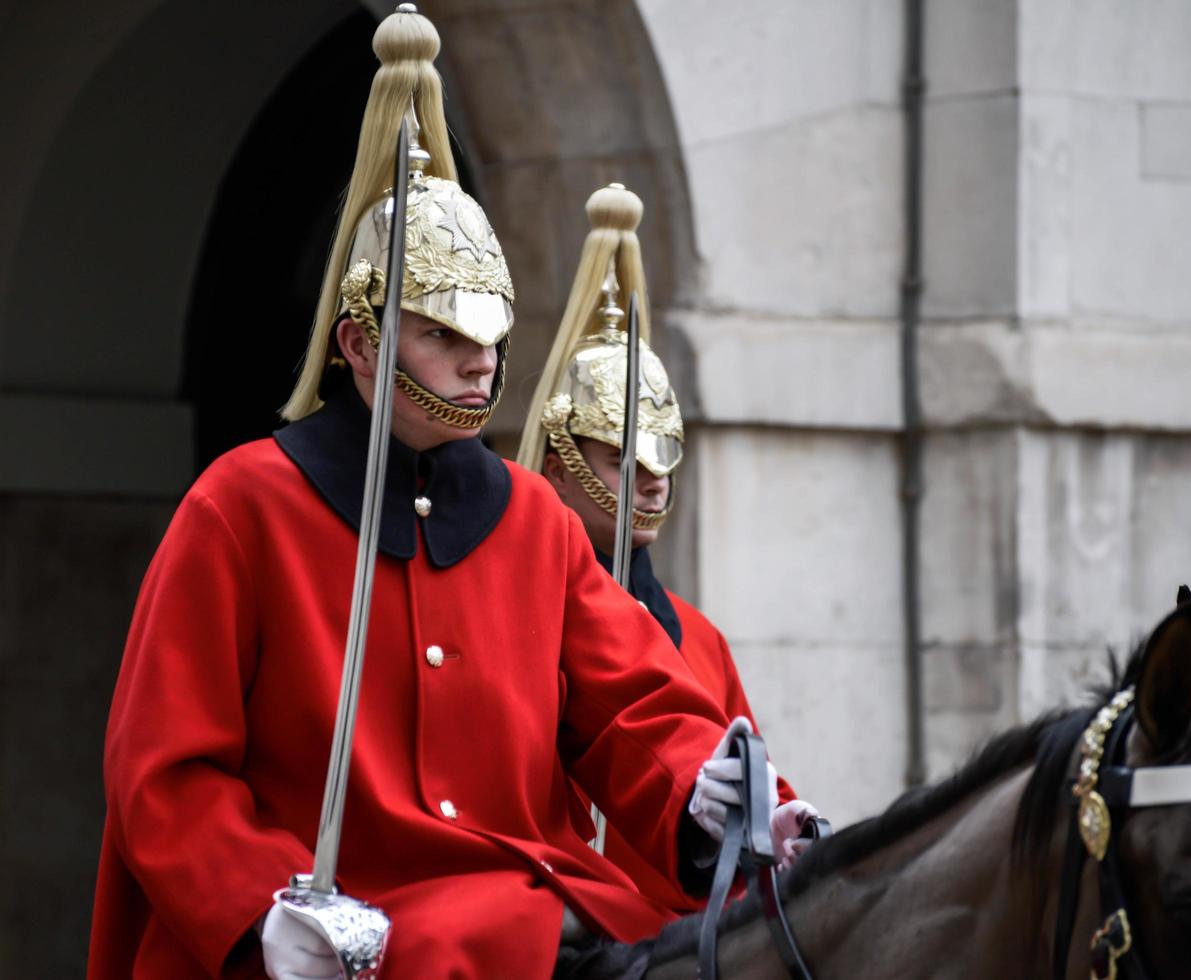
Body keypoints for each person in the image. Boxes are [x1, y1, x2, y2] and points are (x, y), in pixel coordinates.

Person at [87, 9, 802, 978]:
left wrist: (703, 790)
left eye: (490, 336)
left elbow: (635, 710)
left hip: (529, 906)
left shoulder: (535, 523)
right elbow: (166, 777)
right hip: (346, 929)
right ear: (361, 343)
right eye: (443, 337)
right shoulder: (240, 507)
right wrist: (272, 907)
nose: (479, 363)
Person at [516, 183, 819, 913]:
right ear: (559, 463)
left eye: (662, 460)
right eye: (625, 460)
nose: (652, 484)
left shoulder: (699, 637)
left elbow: (746, 770)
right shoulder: (514, 609)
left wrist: (784, 822)